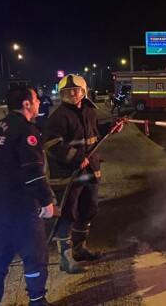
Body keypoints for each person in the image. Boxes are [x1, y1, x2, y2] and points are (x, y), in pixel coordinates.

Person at [0, 86, 56, 306]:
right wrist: (46, 201)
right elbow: (33, 173)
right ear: (26, 104)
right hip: (21, 209)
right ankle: (37, 301)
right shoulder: (26, 131)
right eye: (36, 100)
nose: (39, 103)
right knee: (35, 258)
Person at [44, 74, 122, 274]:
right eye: (67, 91)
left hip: (89, 171)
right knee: (68, 215)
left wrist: (111, 128)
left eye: (76, 90)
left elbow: (93, 135)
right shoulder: (58, 117)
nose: (72, 93)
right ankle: (66, 258)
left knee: (89, 209)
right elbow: (52, 144)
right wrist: (76, 157)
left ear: (84, 91)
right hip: (67, 176)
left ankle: (80, 249)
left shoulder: (89, 112)